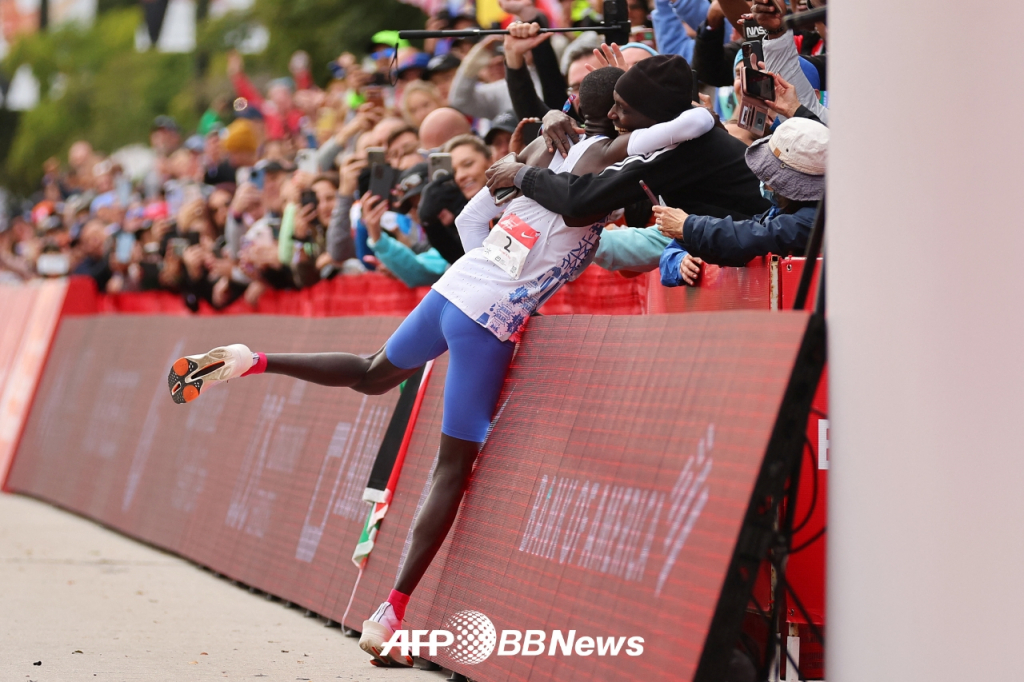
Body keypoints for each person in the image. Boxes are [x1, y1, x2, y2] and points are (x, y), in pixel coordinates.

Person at [164, 66, 714, 667]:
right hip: (490, 318)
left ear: (575, 102)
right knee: (451, 469)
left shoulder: (536, 146)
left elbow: (473, 222)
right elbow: (692, 123)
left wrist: (500, 251)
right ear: (616, 113)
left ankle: (252, 359)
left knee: (373, 372)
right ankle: (390, 614)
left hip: (457, 286)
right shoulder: (610, 152)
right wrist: (700, 108)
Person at [486, 54, 769, 222]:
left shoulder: (681, 150)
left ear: (656, 118)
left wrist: (523, 175)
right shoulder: (682, 136)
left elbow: (584, 198)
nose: (611, 114)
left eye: (622, 108)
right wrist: (555, 115)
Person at [658, 116, 826, 285]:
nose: (765, 183)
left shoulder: (815, 218)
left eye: (770, 177)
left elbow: (757, 235)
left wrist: (689, 227)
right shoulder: (784, 211)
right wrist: (683, 243)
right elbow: (741, 239)